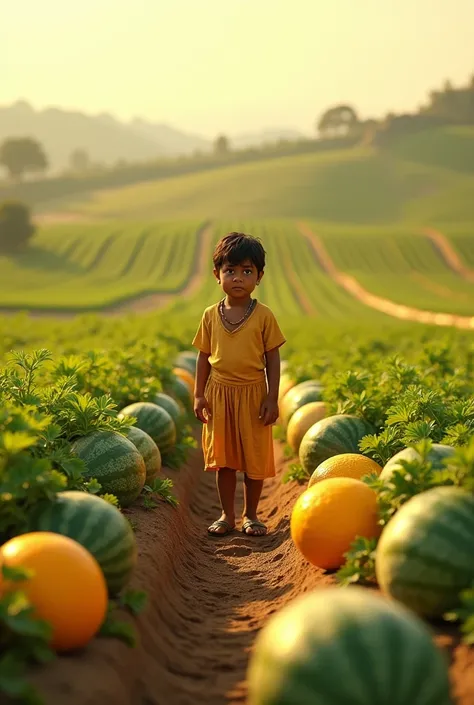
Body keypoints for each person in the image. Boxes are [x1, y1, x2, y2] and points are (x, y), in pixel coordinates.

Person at [192, 232, 286, 537]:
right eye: (230, 270)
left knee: (253, 458)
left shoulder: (264, 316)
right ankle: (226, 515)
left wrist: (272, 397)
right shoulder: (209, 316)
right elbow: (203, 357)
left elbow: (273, 358)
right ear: (216, 274)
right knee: (225, 461)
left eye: (247, 271)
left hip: (253, 393)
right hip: (218, 394)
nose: (238, 278)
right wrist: (198, 395)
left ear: (259, 277)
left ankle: (251, 515)